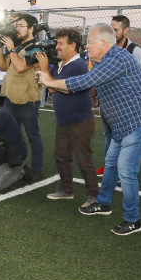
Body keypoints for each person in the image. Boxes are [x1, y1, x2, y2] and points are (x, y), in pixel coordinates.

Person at [37, 23, 141, 236]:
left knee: (126, 169)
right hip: (122, 124)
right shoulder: (103, 61)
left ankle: (133, 219)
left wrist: (51, 81)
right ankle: (103, 203)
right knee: (111, 165)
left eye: (89, 42)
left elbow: (86, 82)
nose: (86, 45)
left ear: (104, 43)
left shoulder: (117, 59)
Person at [36, 28, 98, 204]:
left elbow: (53, 87)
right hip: (65, 121)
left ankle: (94, 195)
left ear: (73, 45)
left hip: (81, 121)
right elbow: (50, 83)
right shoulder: (60, 65)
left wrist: (43, 68)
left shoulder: (77, 65)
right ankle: (66, 189)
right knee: (61, 155)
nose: (56, 47)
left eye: (61, 43)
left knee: (83, 159)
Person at [0, 13, 44, 181]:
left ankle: (37, 169)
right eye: (16, 25)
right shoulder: (16, 46)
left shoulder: (36, 48)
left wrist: (11, 48)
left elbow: (21, 67)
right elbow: (2, 66)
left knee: (33, 135)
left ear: (31, 29)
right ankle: (16, 164)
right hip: (10, 98)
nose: (16, 28)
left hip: (28, 100)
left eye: (20, 25)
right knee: (10, 134)